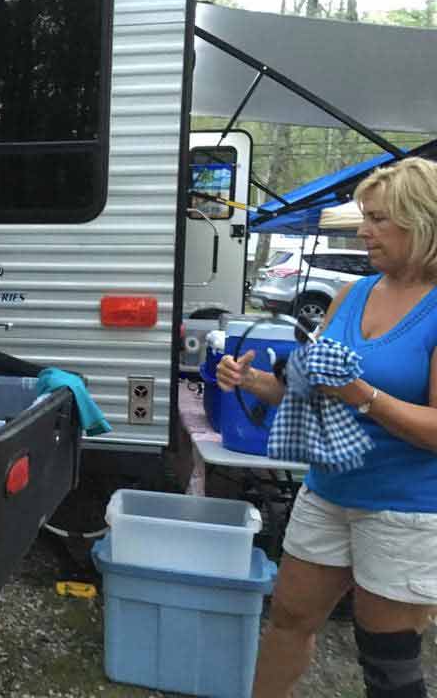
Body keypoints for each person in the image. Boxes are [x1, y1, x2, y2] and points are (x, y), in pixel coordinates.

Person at [217, 156, 437, 698]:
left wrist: (362, 396)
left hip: (403, 508)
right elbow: (307, 389)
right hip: (327, 491)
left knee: (387, 658)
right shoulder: (354, 294)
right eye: (365, 217)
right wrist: (251, 383)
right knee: (288, 620)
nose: (364, 231)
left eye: (380, 219)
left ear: (424, 221)